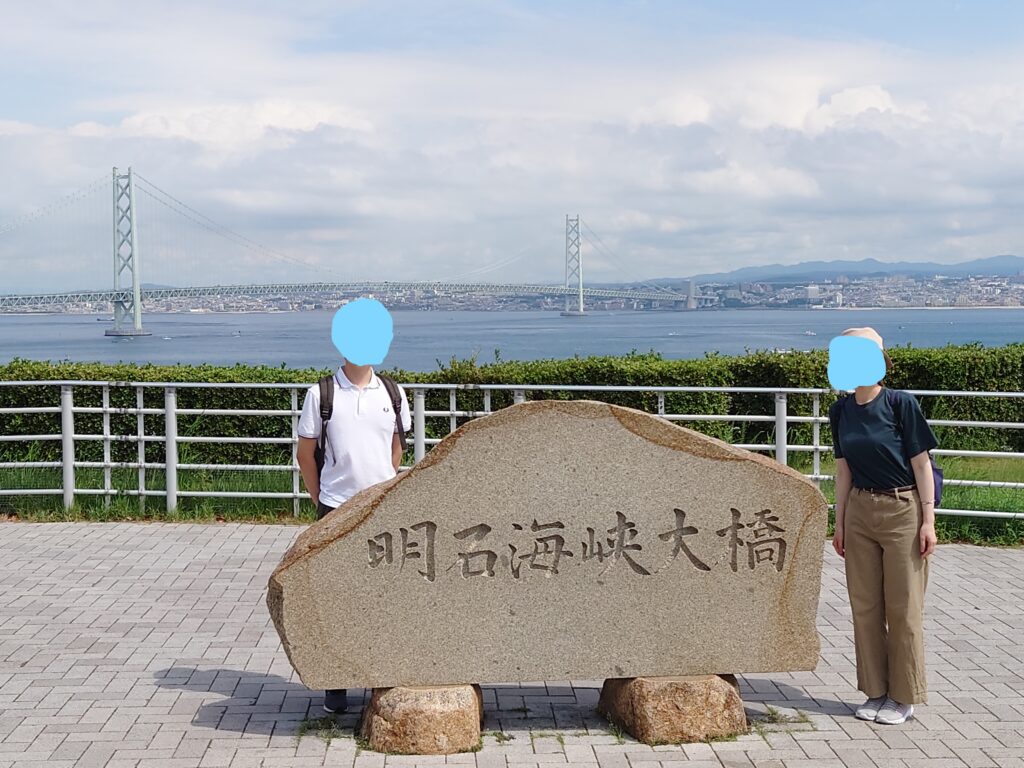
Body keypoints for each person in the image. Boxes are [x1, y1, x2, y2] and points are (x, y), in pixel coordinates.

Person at [828, 327, 938, 725]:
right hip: (859, 509)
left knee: (904, 607)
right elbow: (842, 472)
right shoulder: (840, 410)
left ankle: (904, 696)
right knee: (865, 606)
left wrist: (928, 520)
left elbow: (921, 464)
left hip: (902, 507)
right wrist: (838, 522)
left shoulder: (899, 404)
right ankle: (876, 691)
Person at [296, 356, 411, 714]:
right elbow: (305, 455)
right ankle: (335, 684)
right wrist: (322, 501)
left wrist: (379, 490)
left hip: (381, 508)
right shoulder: (321, 394)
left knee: (384, 595)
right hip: (335, 506)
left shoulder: (393, 393)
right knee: (335, 596)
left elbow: (397, 448)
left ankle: (382, 669)